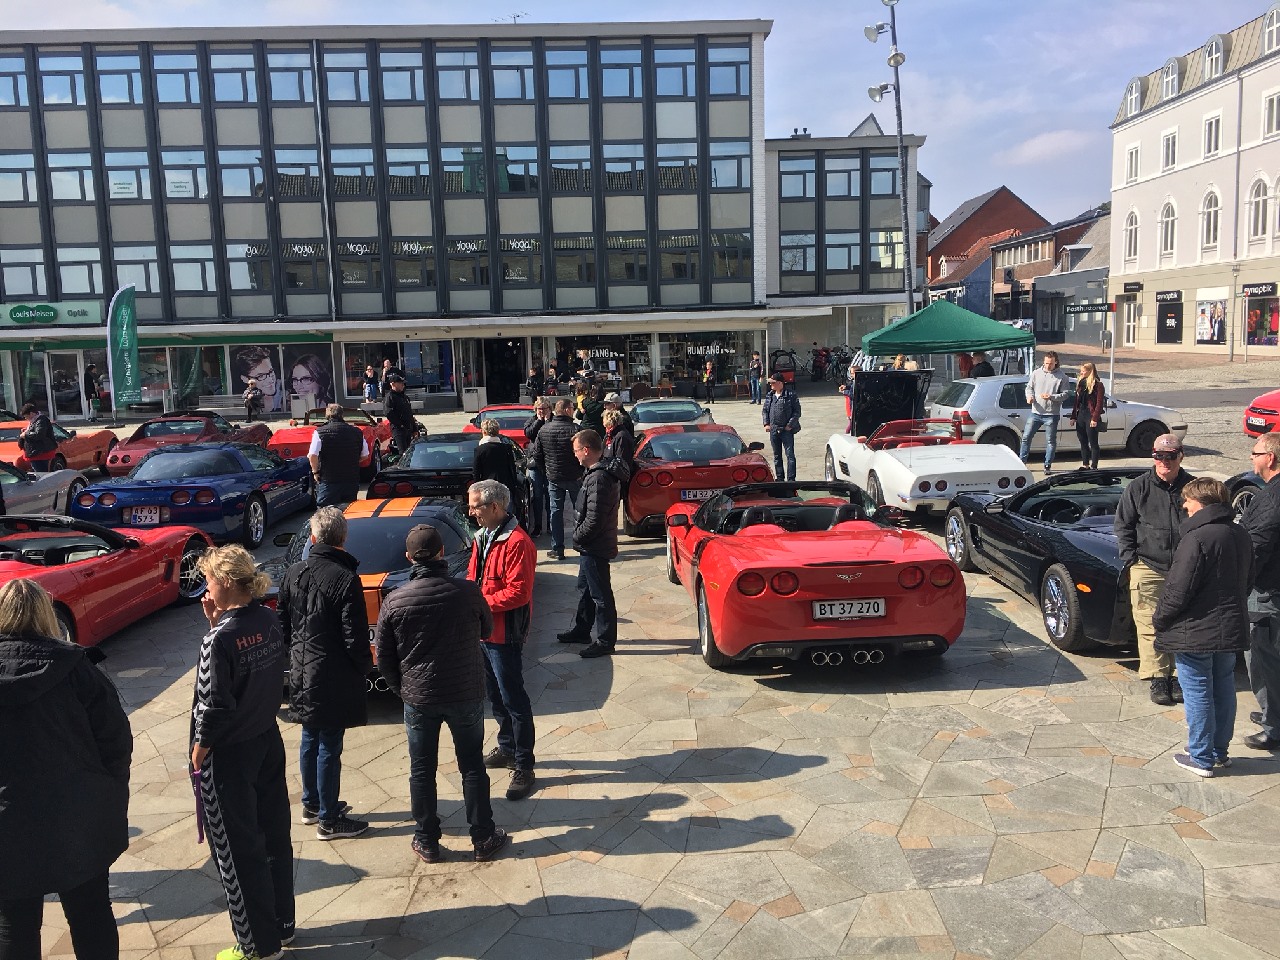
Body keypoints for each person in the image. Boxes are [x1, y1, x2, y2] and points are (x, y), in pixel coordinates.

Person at [0, 579, 132, 960]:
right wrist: (108, 792)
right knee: (91, 914)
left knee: (14, 923)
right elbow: (116, 741)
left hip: (9, 821)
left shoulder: (76, 666)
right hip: (79, 814)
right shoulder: (77, 668)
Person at [374, 524, 509, 865]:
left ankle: (427, 840)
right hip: (464, 692)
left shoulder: (394, 600)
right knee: (472, 766)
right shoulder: (468, 591)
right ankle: (483, 837)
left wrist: (402, 689)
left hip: (419, 698)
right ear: (441, 553)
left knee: (421, 770)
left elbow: (384, 657)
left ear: (409, 558)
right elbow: (487, 628)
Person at [190, 545, 294, 960]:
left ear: (226, 582)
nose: (206, 589)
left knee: (236, 851)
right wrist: (216, 622)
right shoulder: (267, 618)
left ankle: (257, 946)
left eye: (209, 580)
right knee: (274, 836)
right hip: (266, 738)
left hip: (229, 755)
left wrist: (199, 751)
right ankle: (282, 925)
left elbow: (214, 703)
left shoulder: (218, 639)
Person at [277, 507, 374, 839]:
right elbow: (354, 635)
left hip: (302, 668)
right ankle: (329, 819)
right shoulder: (345, 578)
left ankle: (313, 804)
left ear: (314, 537)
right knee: (329, 744)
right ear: (343, 538)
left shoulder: (294, 572)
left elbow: (282, 624)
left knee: (310, 737)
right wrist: (364, 667)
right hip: (332, 671)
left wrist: (294, 656)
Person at [1152, 478, 1253, 776]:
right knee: (1223, 688)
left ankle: (1201, 756)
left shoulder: (1196, 537)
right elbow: (1248, 580)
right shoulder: (1240, 533)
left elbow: (1178, 589)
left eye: (1188, 500)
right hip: (1229, 626)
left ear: (1201, 502)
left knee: (1198, 691)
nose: (1184, 505)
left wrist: (1160, 618)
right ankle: (1219, 751)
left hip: (1196, 629)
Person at [467, 480, 538, 802]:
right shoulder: (482, 537)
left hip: (504, 635)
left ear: (494, 507)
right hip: (483, 632)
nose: (471, 512)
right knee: (495, 696)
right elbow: (473, 578)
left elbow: (518, 593)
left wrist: (479, 603)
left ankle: (524, 764)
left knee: (514, 699)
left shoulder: (518, 542)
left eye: (475, 507)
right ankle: (507, 747)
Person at [1114, 434, 1192, 705]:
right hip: (1147, 566)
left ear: (1181, 456)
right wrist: (1131, 560)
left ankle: (1179, 675)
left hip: (1186, 569)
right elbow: (1123, 526)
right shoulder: (1138, 487)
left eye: (1170, 456)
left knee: (1183, 623)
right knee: (1149, 624)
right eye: (1159, 456)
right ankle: (1158, 677)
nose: (1164, 461)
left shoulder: (1193, 487)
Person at [557, 429, 625, 659]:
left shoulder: (599, 478)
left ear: (586, 450)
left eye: (576, 450)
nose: (575, 455)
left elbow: (595, 519)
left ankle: (605, 640)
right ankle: (582, 629)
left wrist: (578, 537)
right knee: (586, 589)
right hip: (591, 544)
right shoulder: (595, 473)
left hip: (594, 545)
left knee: (600, 595)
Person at [1241, 431, 1280, 750]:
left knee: (1262, 658)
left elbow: (1257, 547)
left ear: (1270, 458)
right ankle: (1272, 711)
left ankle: (1274, 726)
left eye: (1255, 453)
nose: (1251, 458)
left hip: (1267, 591)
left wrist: (1237, 583)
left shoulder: (1271, 499)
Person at [532, 398, 584, 561]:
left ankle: (557, 548)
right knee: (580, 510)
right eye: (572, 408)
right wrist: (581, 469)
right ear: (567, 410)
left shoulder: (544, 429)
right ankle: (582, 544)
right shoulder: (576, 429)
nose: (574, 411)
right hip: (574, 476)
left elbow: (537, 454)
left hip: (554, 476)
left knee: (555, 512)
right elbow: (585, 451)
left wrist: (546, 470)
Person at [1018, 351, 1070, 474]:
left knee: (1050, 441)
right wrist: (1029, 396)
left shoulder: (1062, 377)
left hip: (1051, 414)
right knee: (1026, 437)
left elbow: (1066, 394)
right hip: (1036, 412)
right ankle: (1021, 462)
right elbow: (1029, 388)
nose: (1048, 366)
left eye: (1050, 363)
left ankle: (1047, 465)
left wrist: (1052, 397)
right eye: (1046, 363)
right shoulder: (1036, 373)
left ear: (1056, 362)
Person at [308, 404, 369, 508]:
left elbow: (313, 455)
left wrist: (315, 472)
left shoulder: (320, 432)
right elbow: (365, 455)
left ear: (327, 415)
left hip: (329, 479)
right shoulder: (357, 432)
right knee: (348, 509)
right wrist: (351, 462)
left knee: (326, 511)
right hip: (351, 479)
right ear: (342, 415)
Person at [472, 419, 526, 528]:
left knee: (490, 520)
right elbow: (512, 471)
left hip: (487, 490)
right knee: (506, 519)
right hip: (505, 488)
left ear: (484, 431)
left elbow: (476, 473)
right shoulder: (506, 448)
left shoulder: (480, 450)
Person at [762, 375, 801, 482]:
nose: (771, 384)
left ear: (780, 383)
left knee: (790, 455)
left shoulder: (790, 395)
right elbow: (765, 410)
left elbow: (797, 412)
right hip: (774, 430)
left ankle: (791, 479)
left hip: (786, 430)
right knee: (777, 455)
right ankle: (780, 478)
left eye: (773, 382)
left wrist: (790, 425)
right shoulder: (770, 395)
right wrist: (766, 424)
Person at [523, 399, 553, 537]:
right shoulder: (532, 420)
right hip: (535, 463)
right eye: (539, 409)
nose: (542, 411)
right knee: (537, 496)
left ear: (550, 408)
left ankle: (551, 525)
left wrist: (547, 422)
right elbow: (529, 433)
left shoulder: (553, 420)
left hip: (550, 463)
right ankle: (538, 526)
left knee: (550, 495)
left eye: (544, 408)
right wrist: (539, 421)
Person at [1069, 361, 1106, 470]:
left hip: (1091, 414)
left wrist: (1095, 418)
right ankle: (1085, 464)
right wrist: (1073, 417)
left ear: (1090, 371)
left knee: (1093, 442)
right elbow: (1076, 402)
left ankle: (1094, 466)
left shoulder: (1098, 385)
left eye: (1083, 371)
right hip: (1081, 414)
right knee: (1082, 441)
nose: (1081, 373)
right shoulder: (1080, 383)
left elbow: (1099, 403)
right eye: (1081, 371)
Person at [235, 346, 281, 414]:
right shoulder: (249, 391)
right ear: (245, 379)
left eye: (271, 372)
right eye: (261, 376)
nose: (270, 379)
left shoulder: (283, 389)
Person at [383, 374, 416, 456]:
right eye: (400, 383)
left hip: (408, 428)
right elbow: (388, 413)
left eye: (403, 383)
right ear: (393, 384)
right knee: (403, 453)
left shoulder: (404, 397)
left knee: (410, 453)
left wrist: (414, 428)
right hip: (398, 429)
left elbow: (409, 413)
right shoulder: (390, 397)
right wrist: (400, 424)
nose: (403, 385)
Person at [17, 403, 57, 473]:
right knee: (40, 472)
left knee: (40, 473)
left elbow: (39, 434)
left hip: (40, 453)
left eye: (26, 416)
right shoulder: (34, 421)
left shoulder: (40, 421)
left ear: (31, 413)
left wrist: (26, 435)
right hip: (37, 452)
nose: (25, 418)